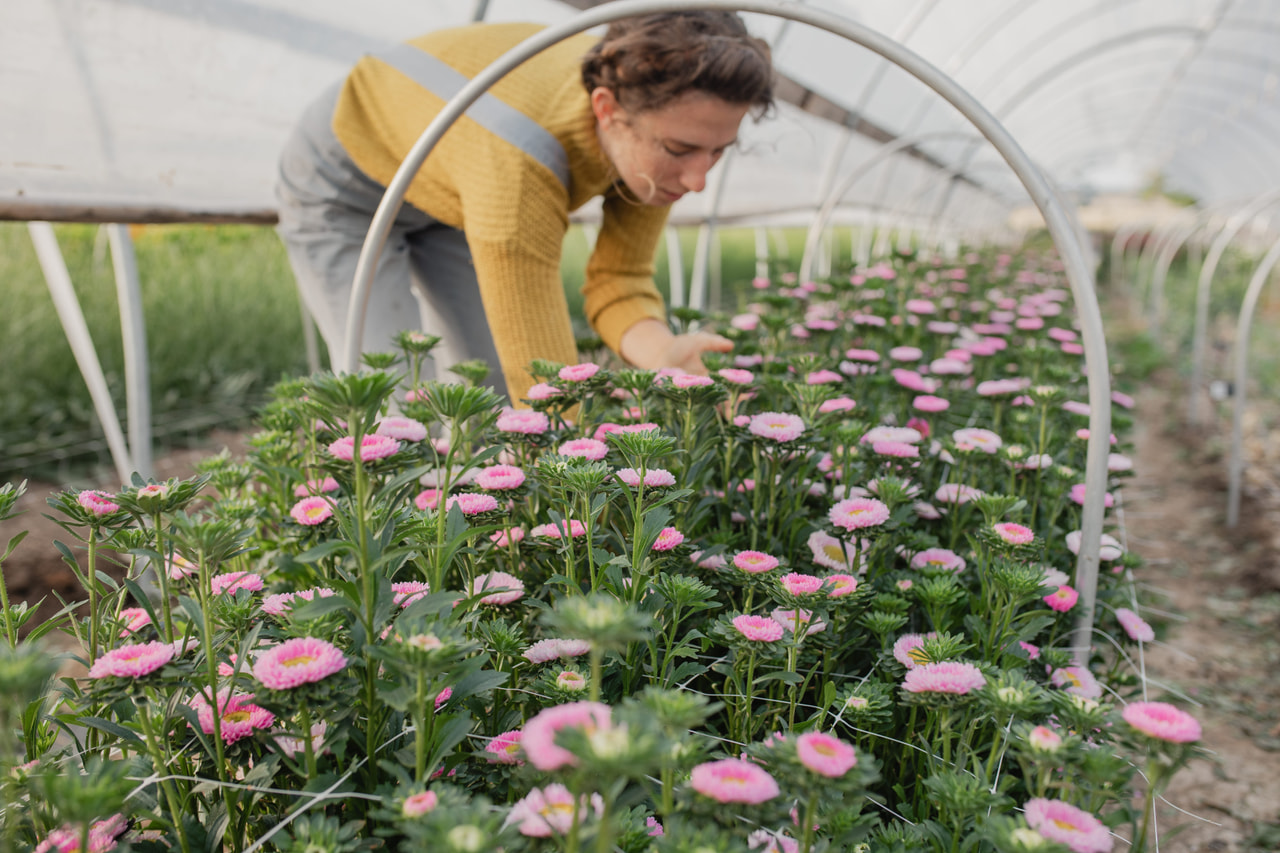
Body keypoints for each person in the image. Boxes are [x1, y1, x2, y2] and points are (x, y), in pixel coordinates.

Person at [275, 11, 774, 404]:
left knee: (483, 389)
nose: (698, 180)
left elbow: (619, 280)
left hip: (454, 183)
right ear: (607, 110)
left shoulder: (652, 136)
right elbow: (547, 384)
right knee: (393, 401)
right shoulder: (520, 169)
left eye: (718, 151)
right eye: (680, 150)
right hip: (349, 182)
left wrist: (663, 352)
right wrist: (582, 500)